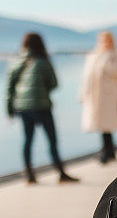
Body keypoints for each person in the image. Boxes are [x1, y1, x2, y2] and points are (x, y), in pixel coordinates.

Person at [5, 33, 78, 184]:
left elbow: (10, 87)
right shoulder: (43, 62)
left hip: (22, 107)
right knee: (51, 140)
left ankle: (29, 175)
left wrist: (9, 109)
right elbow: (54, 84)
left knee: (27, 140)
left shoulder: (17, 61)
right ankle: (60, 172)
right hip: (41, 106)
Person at [80, 31, 117, 163]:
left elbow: (113, 71)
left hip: (109, 95)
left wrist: (104, 59)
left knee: (107, 124)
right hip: (95, 95)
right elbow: (86, 77)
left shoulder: (115, 55)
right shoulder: (93, 55)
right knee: (100, 124)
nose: (104, 43)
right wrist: (83, 94)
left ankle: (108, 151)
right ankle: (107, 150)